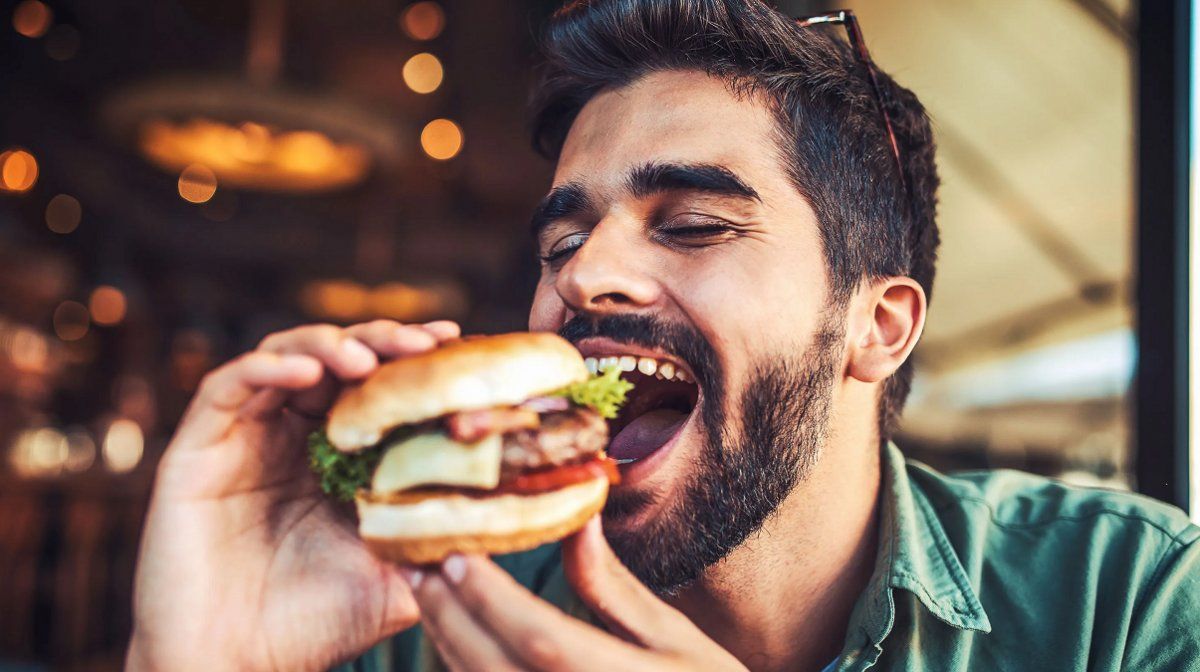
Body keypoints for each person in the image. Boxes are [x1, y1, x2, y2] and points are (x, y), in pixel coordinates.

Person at [125, 1, 1200, 671]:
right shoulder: (405, 612)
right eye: (561, 243)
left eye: (692, 225)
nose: (582, 275)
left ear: (876, 328)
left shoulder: (1126, 603)